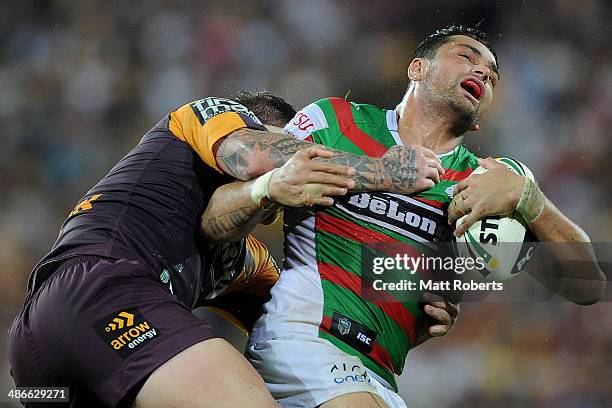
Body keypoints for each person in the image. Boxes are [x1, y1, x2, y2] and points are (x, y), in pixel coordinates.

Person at [203, 26, 606, 408]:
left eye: (493, 77)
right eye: (466, 56)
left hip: (379, 374)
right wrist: (373, 176)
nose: (482, 70)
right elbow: (224, 207)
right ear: (418, 68)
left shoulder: (491, 180)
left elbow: (587, 285)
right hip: (305, 338)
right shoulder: (335, 121)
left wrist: (529, 198)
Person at [7, 91, 451, 408]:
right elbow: (254, 157)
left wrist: (408, 309)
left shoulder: (242, 259)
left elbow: (304, 322)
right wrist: (378, 171)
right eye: (292, 152)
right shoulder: (201, 116)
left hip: (38, 364)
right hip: (103, 291)